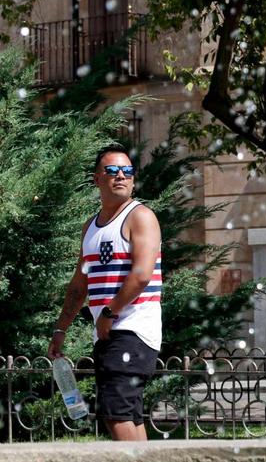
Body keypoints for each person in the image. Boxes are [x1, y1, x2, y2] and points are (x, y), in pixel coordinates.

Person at [47, 145, 162, 441]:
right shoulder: (91, 227)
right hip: (112, 334)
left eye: (127, 171)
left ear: (134, 180)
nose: (121, 176)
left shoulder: (140, 217)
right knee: (129, 415)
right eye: (112, 171)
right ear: (97, 179)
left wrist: (109, 314)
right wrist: (61, 328)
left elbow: (141, 275)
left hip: (132, 331)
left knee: (116, 413)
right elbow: (78, 286)